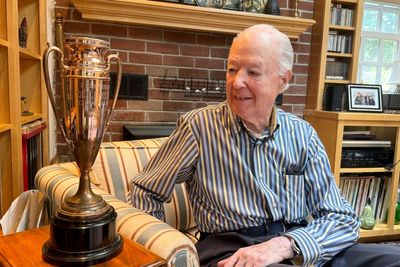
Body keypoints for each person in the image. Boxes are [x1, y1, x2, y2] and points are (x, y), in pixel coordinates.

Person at [131, 24, 400, 267]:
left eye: (253, 72)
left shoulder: (302, 134)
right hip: (229, 248)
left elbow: (342, 218)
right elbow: (147, 191)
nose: (237, 82)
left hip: (295, 244)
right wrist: (165, 249)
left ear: (283, 80)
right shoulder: (198, 128)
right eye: (232, 69)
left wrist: (286, 245)